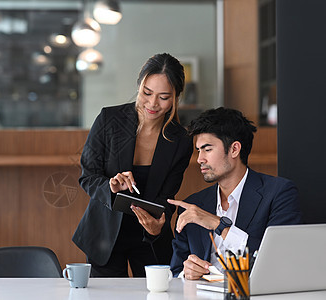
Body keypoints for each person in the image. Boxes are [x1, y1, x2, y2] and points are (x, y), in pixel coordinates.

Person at [72, 53, 193, 277]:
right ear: (139, 86)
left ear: (176, 97)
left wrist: (158, 227)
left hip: (150, 240)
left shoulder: (181, 141)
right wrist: (111, 185)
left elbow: (168, 197)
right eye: (147, 93)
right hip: (104, 236)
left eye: (164, 97)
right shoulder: (109, 120)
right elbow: (87, 176)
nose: (153, 104)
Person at [168, 107, 302, 279]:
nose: (200, 158)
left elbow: (280, 259)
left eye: (207, 149)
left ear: (234, 149)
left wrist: (218, 225)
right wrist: (187, 274)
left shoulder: (279, 193)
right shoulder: (193, 206)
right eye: (198, 150)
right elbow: (176, 271)